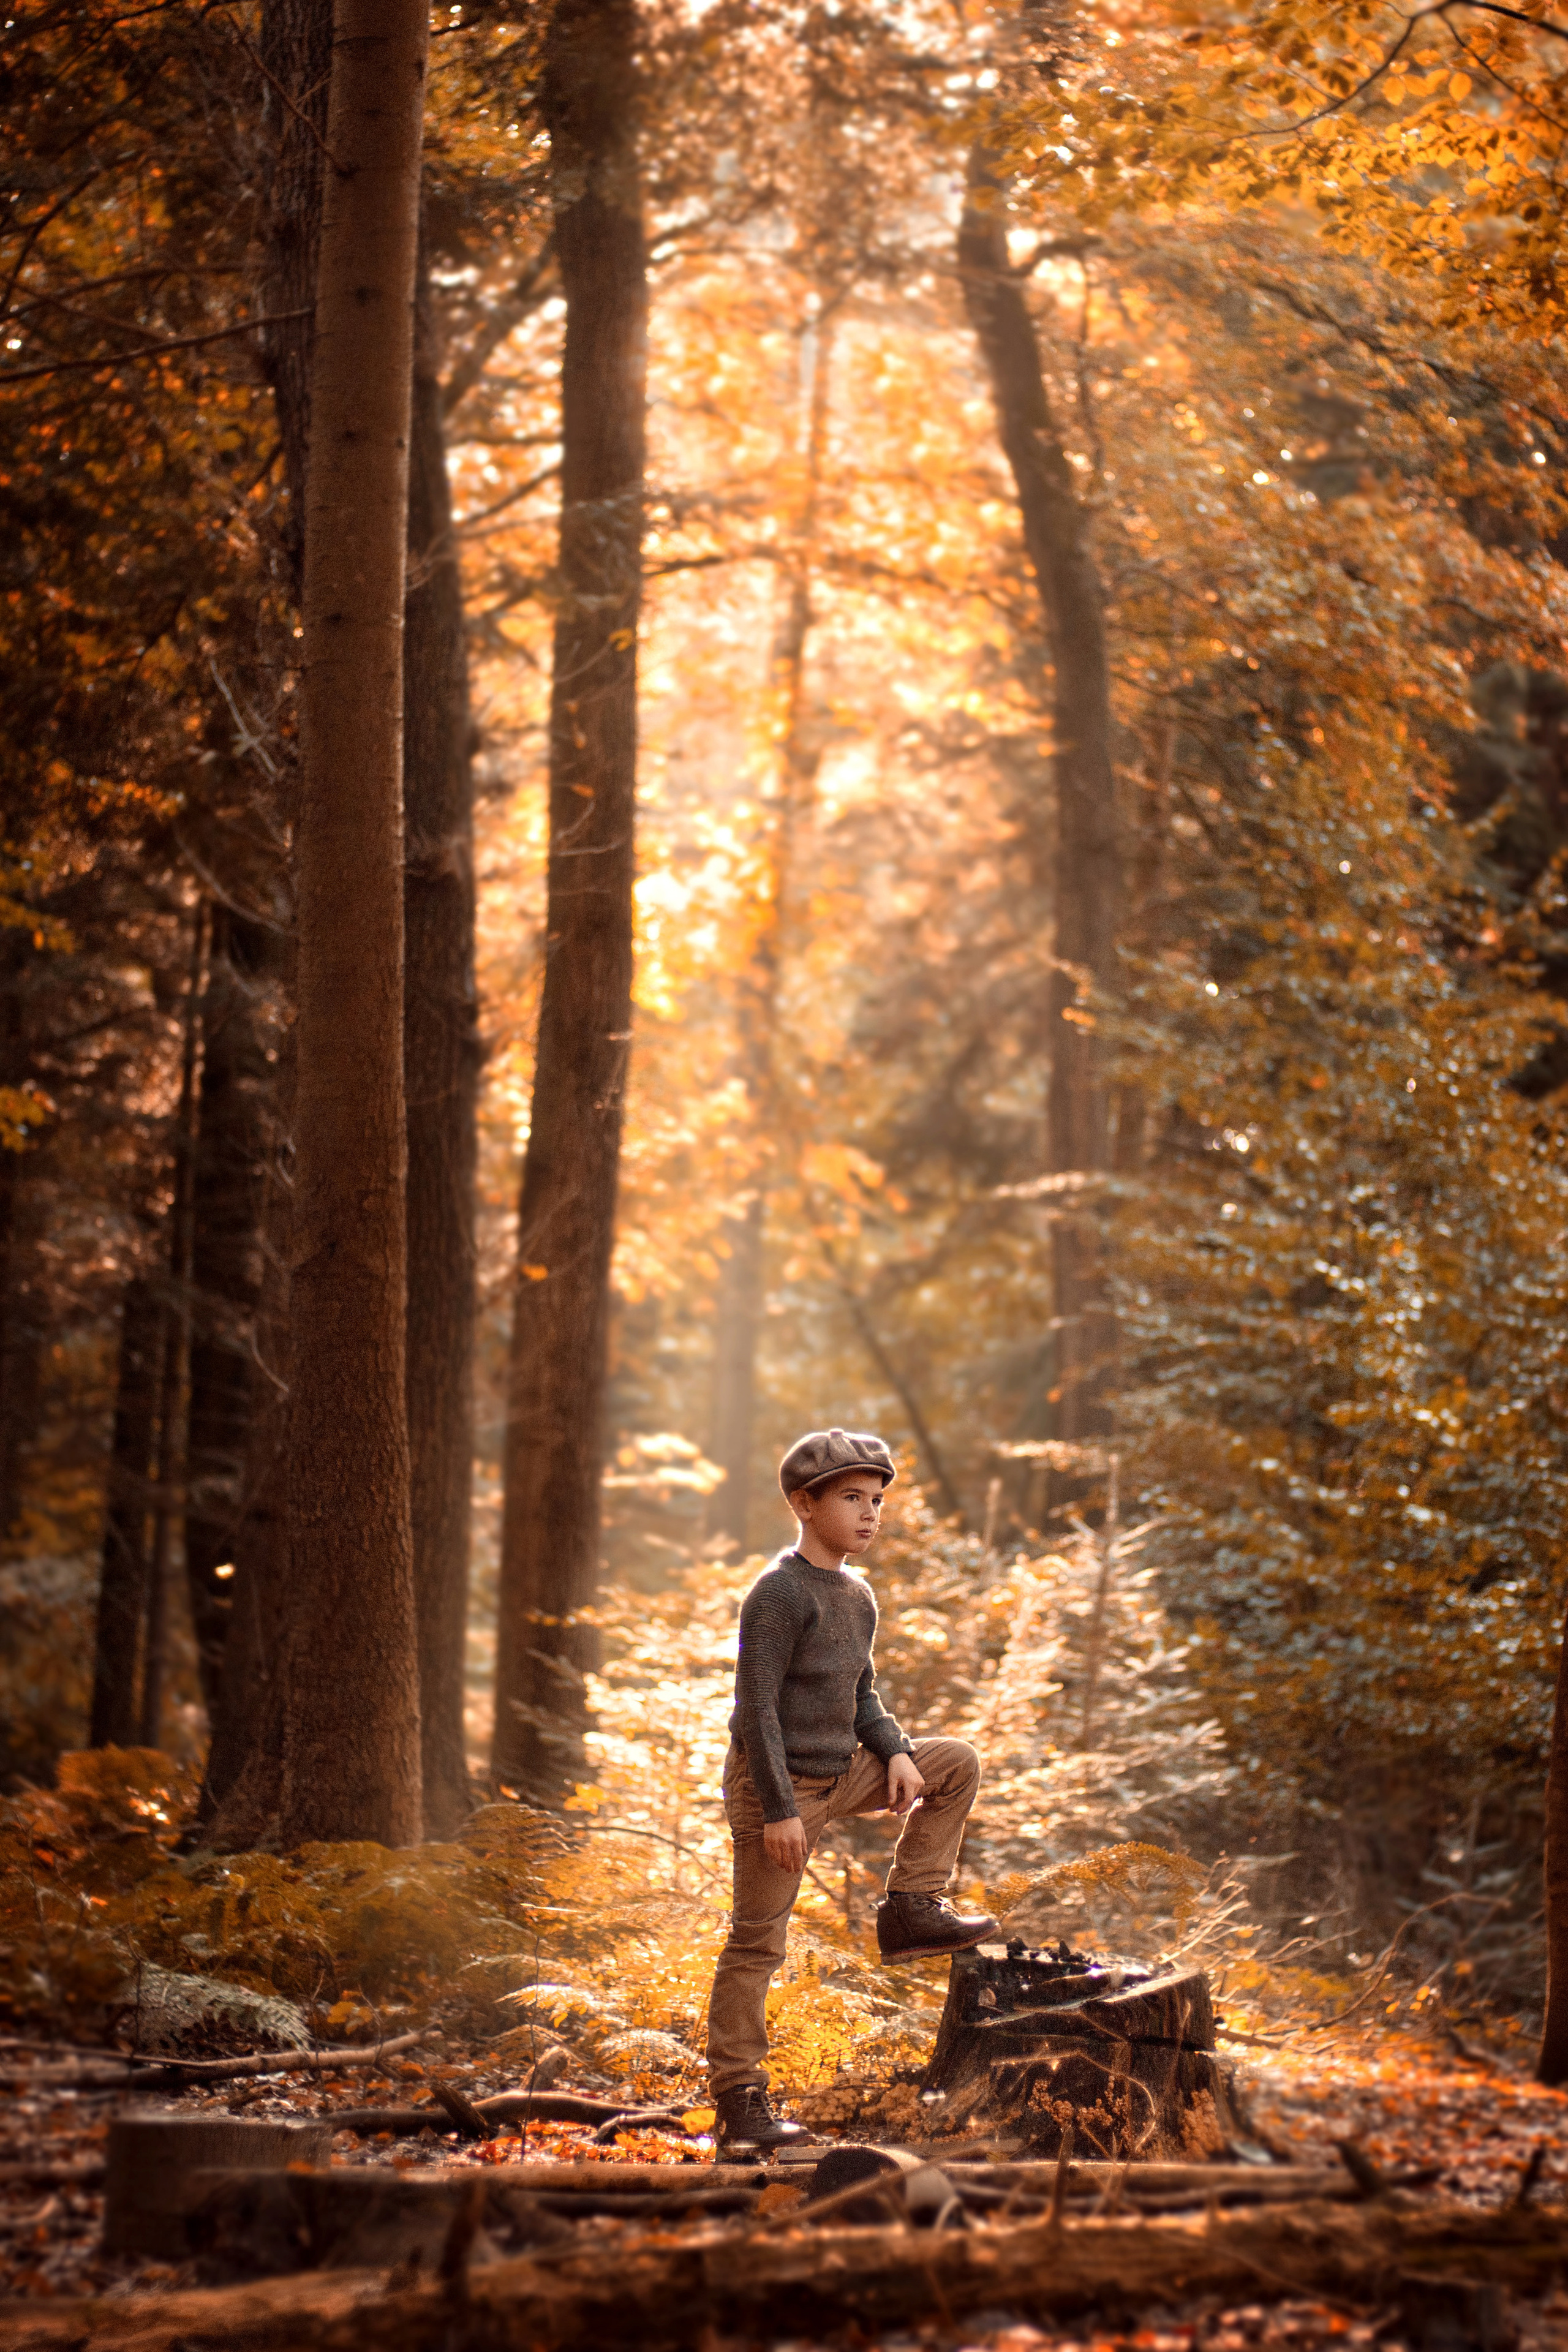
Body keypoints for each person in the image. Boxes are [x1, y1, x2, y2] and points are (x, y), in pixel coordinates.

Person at [705, 1425, 995, 2151]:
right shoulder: (777, 1595)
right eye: (851, 1499)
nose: (870, 1513)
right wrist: (778, 1812)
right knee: (756, 1944)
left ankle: (910, 1907)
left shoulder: (857, 1594)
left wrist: (895, 1752)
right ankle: (741, 2106)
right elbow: (755, 1711)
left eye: (877, 1500)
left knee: (952, 1759)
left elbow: (860, 1691)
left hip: (844, 1768)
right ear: (805, 1503)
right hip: (779, 1786)